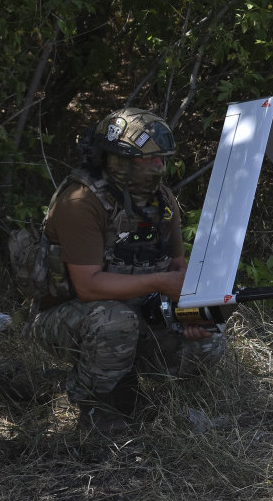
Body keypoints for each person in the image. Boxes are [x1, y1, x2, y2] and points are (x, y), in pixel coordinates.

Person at [26, 107, 226, 433]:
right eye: (148, 160)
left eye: (162, 159)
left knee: (211, 339)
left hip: (140, 311)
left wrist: (195, 314)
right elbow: (88, 286)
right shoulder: (81, 201)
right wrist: (162, 282)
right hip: (66, 317)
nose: (159, 167)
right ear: (117, 159)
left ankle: (135, 391)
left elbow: (178, 266)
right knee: (114, 322)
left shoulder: (162, 201)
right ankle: (94, 409)